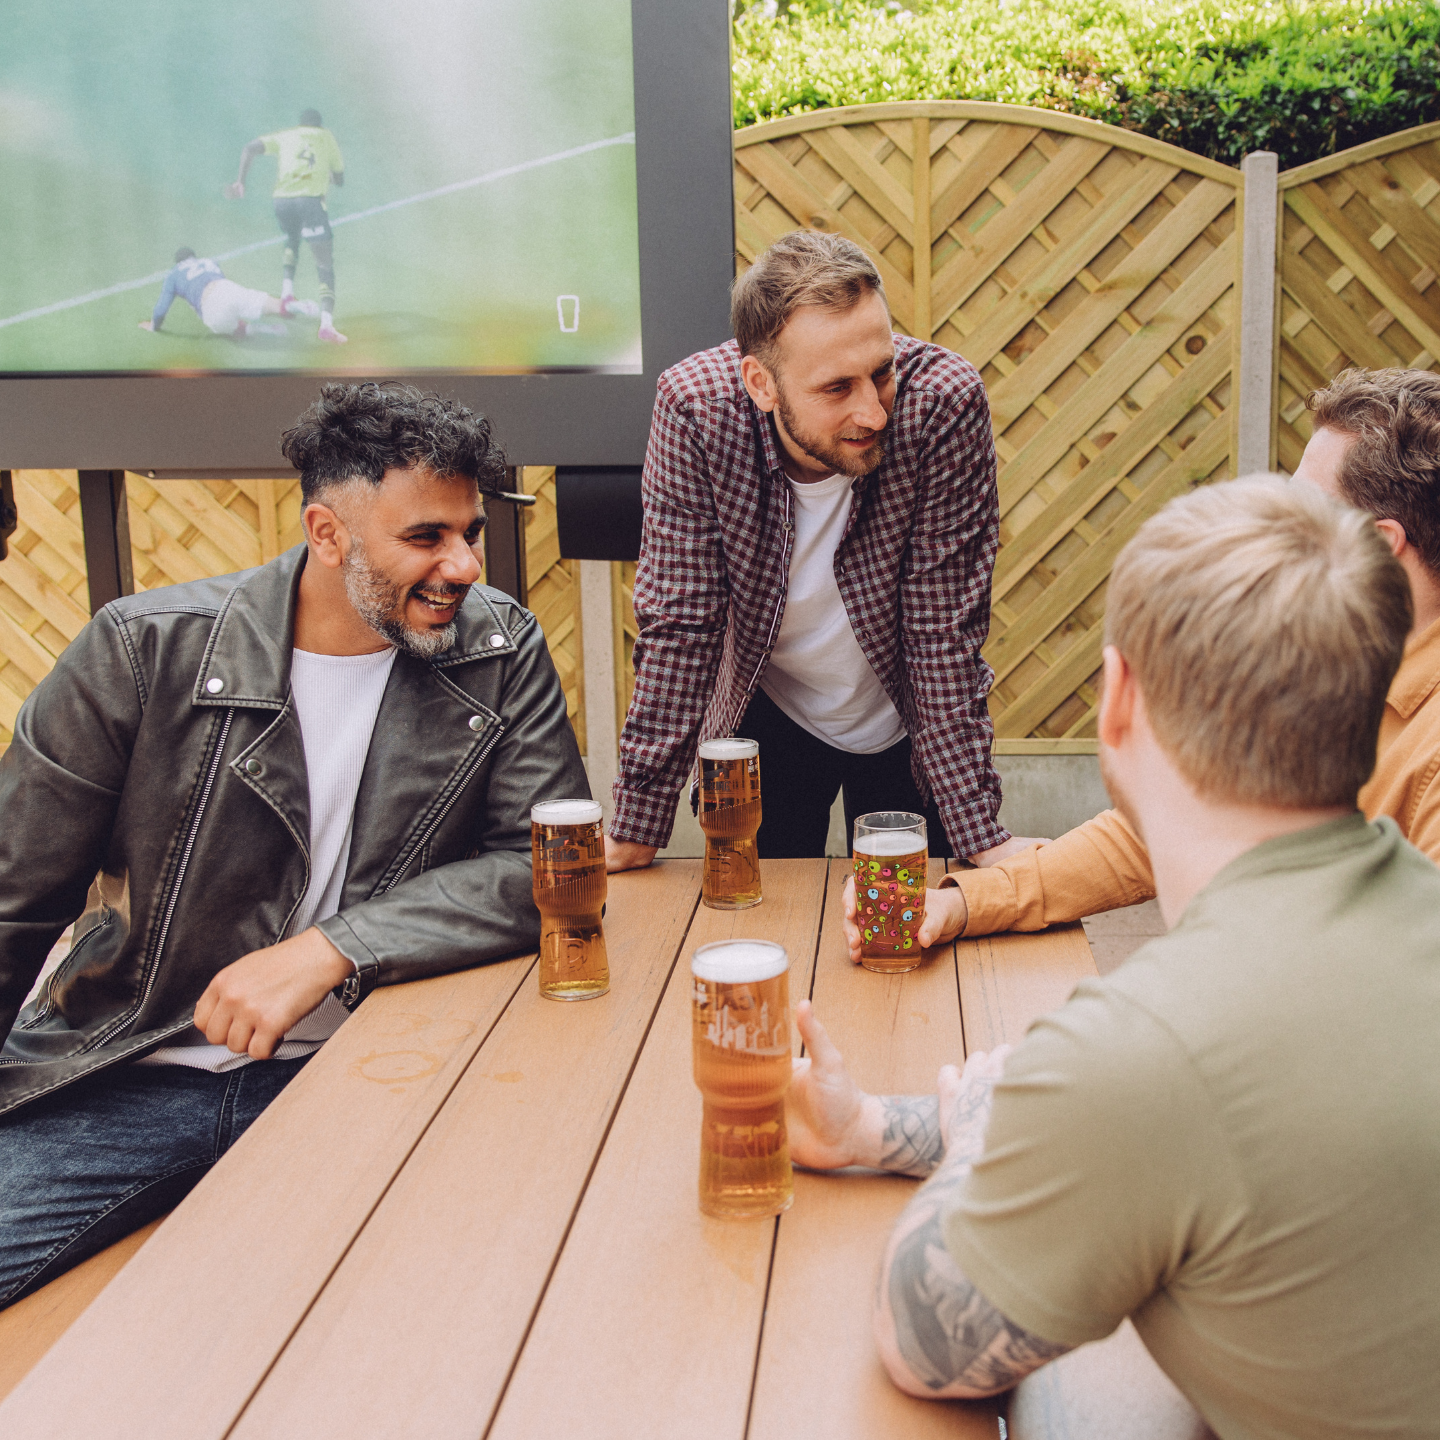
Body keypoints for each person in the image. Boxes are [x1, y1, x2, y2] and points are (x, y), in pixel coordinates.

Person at [791, 475, 1440, 1436]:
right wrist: (875, 1132)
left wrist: (971, 1143)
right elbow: (1197, 1153)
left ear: (1119, 698)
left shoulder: (1159, 1043)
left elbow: (921, 1340)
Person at [0, 381, 588, 1308]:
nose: (467, 564)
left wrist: (334, 947)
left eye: (469, 532)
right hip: (132, 1070)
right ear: (326, 533)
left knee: (487, 1298)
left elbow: (544, 870)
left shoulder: (500, 646)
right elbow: (13, 902)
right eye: (427, 537)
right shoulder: (140, 650)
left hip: (369, 1067)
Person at [859, 366, 1440, 954]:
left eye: (1301, 511)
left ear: (1379, 545)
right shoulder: (1323, 658)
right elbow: (1166, 821)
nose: (1276, 528)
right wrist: (962, 904)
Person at [606, 230, 1035, 873]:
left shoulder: (942, 404)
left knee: (912, 931)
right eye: (837, 389)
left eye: (882, 372)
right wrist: (637, 822)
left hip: (909, 720)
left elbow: (942, 631)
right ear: (760, 383)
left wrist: (982, 835)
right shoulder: (696, 411)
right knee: (763, 914)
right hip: (769, 713)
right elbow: (682, 622)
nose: (874, 412)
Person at [225, 108, 347, 343]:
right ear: (319, 126)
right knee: (324, 264)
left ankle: (287, 295)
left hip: (281, 202)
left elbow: (249, 148)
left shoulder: (287, 135)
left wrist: (240, 182)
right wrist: (326, 176)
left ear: (301, 125)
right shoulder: (326, 137)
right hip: (309, 202)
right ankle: (326, 325)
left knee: (292, 238)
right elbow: (339, 178)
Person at [139, 247, 319, 339]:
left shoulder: (173, 274)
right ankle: (293, 305)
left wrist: (153, 326)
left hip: (209, 305)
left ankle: (263, 329)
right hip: (228, 288)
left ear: (178, 262)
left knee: (233, 328)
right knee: (274, 305)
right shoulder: (208, 261)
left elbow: (161, 309)